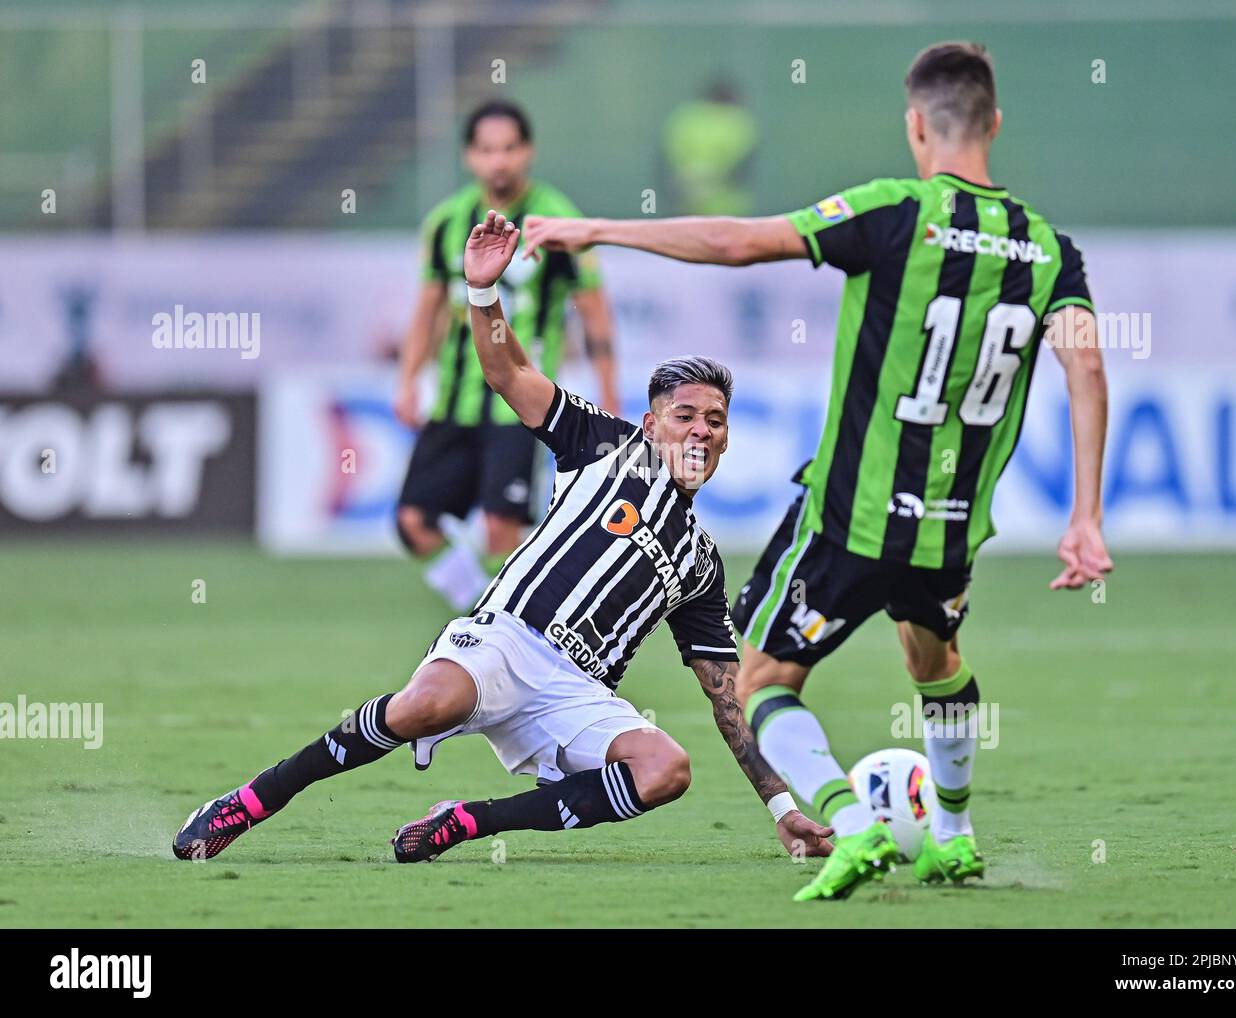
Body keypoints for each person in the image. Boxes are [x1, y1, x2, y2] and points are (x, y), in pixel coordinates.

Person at [523, 41, 1113, 900]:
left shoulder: (893, 212)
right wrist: (1085, 516)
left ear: (916, 126)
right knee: (934, 659)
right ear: (994, 123)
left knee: (761, 679)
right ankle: (952, 835)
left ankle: (855, 820)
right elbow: (1087, 368)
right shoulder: (1050, 250)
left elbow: (736, 241)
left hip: (852, 512)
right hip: (950, 522)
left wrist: (602, 228)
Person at [173, 211, 830, 866]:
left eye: (715, 420)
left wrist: (780, 805)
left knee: (665, 770)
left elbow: (726, 699)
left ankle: (466, 821)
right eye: (684, 415)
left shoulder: (701, 564)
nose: (701, 430)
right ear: (652, 423)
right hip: (507, 638)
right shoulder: (603, 445)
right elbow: (508, 373)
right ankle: (252, 801)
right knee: (430, 705)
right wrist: (483, 292)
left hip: (576, 692)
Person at [394, 100, 619, 610]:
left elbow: (595, 315)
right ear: (470, 156)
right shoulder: (447, 223)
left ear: (528, 152)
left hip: (519, 404)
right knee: (413, 523)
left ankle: (506, 631)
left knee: (502, 528)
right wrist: (407, 380)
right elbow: (427, 311)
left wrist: (608, 395)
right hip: (455, 399)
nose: (499, 161)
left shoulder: (559, 222)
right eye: (487, 150)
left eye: (509, 148)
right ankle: (484, 609)